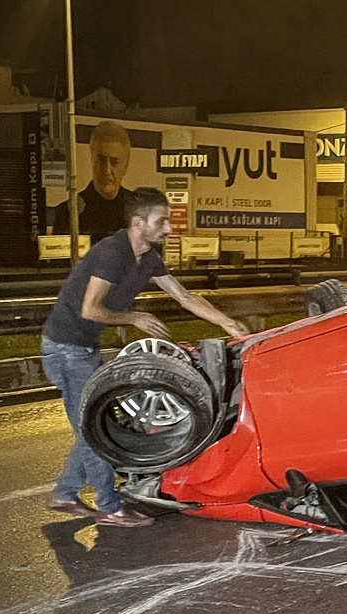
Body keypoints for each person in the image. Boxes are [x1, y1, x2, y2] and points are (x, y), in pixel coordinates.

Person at [41, 187, 248, 527]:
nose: (169, 228)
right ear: (138, 223)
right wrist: (134, 317)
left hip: (83, 347)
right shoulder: (112, 253)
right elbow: (91, 309)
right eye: (162, 221)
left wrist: (226, 322)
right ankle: (110, 507)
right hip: (65, 349)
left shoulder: (148, 257)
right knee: (94, 430)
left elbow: (184, 296)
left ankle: (64, 494)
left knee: (90, 427)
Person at [53, 120, 136, 243]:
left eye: (114, 162)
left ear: (125, 166)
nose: (107, 170)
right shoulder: (69, 213)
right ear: (92, 160)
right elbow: (58, 260)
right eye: (101, 161)